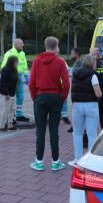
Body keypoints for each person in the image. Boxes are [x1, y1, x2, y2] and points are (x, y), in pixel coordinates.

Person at [29, 36, 70, 171]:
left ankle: (39, 161)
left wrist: (35, 97)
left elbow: (32, 83)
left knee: (40, 130)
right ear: (56, 47)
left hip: (40, 97)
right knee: (54, 130)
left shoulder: (36, 61)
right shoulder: (60, 62)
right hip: (55, 97)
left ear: (45, 46)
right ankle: (55, 161)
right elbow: (66, 83)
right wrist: (62, 98)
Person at [69, 55, 102, 166]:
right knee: (91, 133)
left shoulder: (75, 74)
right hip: (91, 105)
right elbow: (98, 93)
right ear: (92, 63)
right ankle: (90, 160)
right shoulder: (93, 76)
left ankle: (77, 159)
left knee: (77, 133)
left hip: (77, 105)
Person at [1, 38, 30, 122]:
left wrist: (26, 76)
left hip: (20, 78)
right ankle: (10, 117)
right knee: (11, 98)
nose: (23, 45)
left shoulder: (22, 53)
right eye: (21, 43)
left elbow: (24, 65)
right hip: (12, 78)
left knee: (20, 96)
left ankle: (19, 114)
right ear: (16, 44)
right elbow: (4, 67)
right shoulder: (9, 53)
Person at [61, 48, 83, 125]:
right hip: (75, 91)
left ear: (76, 55)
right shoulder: (76, 64)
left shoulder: (79, 64)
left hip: (78, 92)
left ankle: (76, 126)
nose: (70, 55)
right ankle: (74, 126)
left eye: (72, 53)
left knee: (77, 110)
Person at [0, 55, 19, 131]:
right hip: (7, 92)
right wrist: (6, 93)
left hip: (13, 92)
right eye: (16, 62)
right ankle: (2, 126)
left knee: (12, 109)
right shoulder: (5, 69)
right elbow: (3, 82)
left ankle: (10, 124)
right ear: (12, 62)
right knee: (6, 109)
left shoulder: (14, 69)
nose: (17, 63)